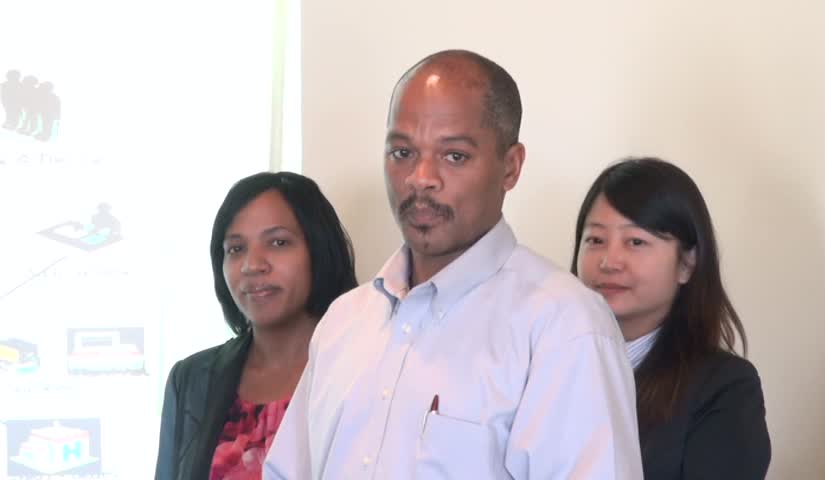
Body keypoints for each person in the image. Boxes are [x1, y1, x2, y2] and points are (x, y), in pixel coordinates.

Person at [264, 50, 642, 479]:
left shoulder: (564, 326)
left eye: (454, 156)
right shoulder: (344, 321)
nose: (421, 177)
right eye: (402, 152)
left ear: (511, 167)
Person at [571, 157, 771, 479]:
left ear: (687, 264)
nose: (609, 261)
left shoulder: (725, 388)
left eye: (636, 242)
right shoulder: (545, 362)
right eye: (595, 240)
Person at [155, 172, 357, 480]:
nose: (253, 265)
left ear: (318, 249)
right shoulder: (192, 379)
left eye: (278, 242)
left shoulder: (366, 368)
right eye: (236, 249)